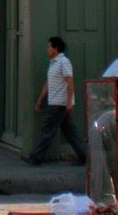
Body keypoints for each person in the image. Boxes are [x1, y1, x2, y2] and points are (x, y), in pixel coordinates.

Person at [23, 36, 86, 166]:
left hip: (59, 103)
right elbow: (48, 83)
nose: (47, 49)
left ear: (55, 48)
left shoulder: (64, 62)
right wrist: (40, 100)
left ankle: (36, 157)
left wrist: (69, 101)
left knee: (47, 130)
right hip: (56, 102)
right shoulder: (53, 63)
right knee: (69, 131)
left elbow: (70, 82)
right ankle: (83, 156)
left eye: (49, 47)